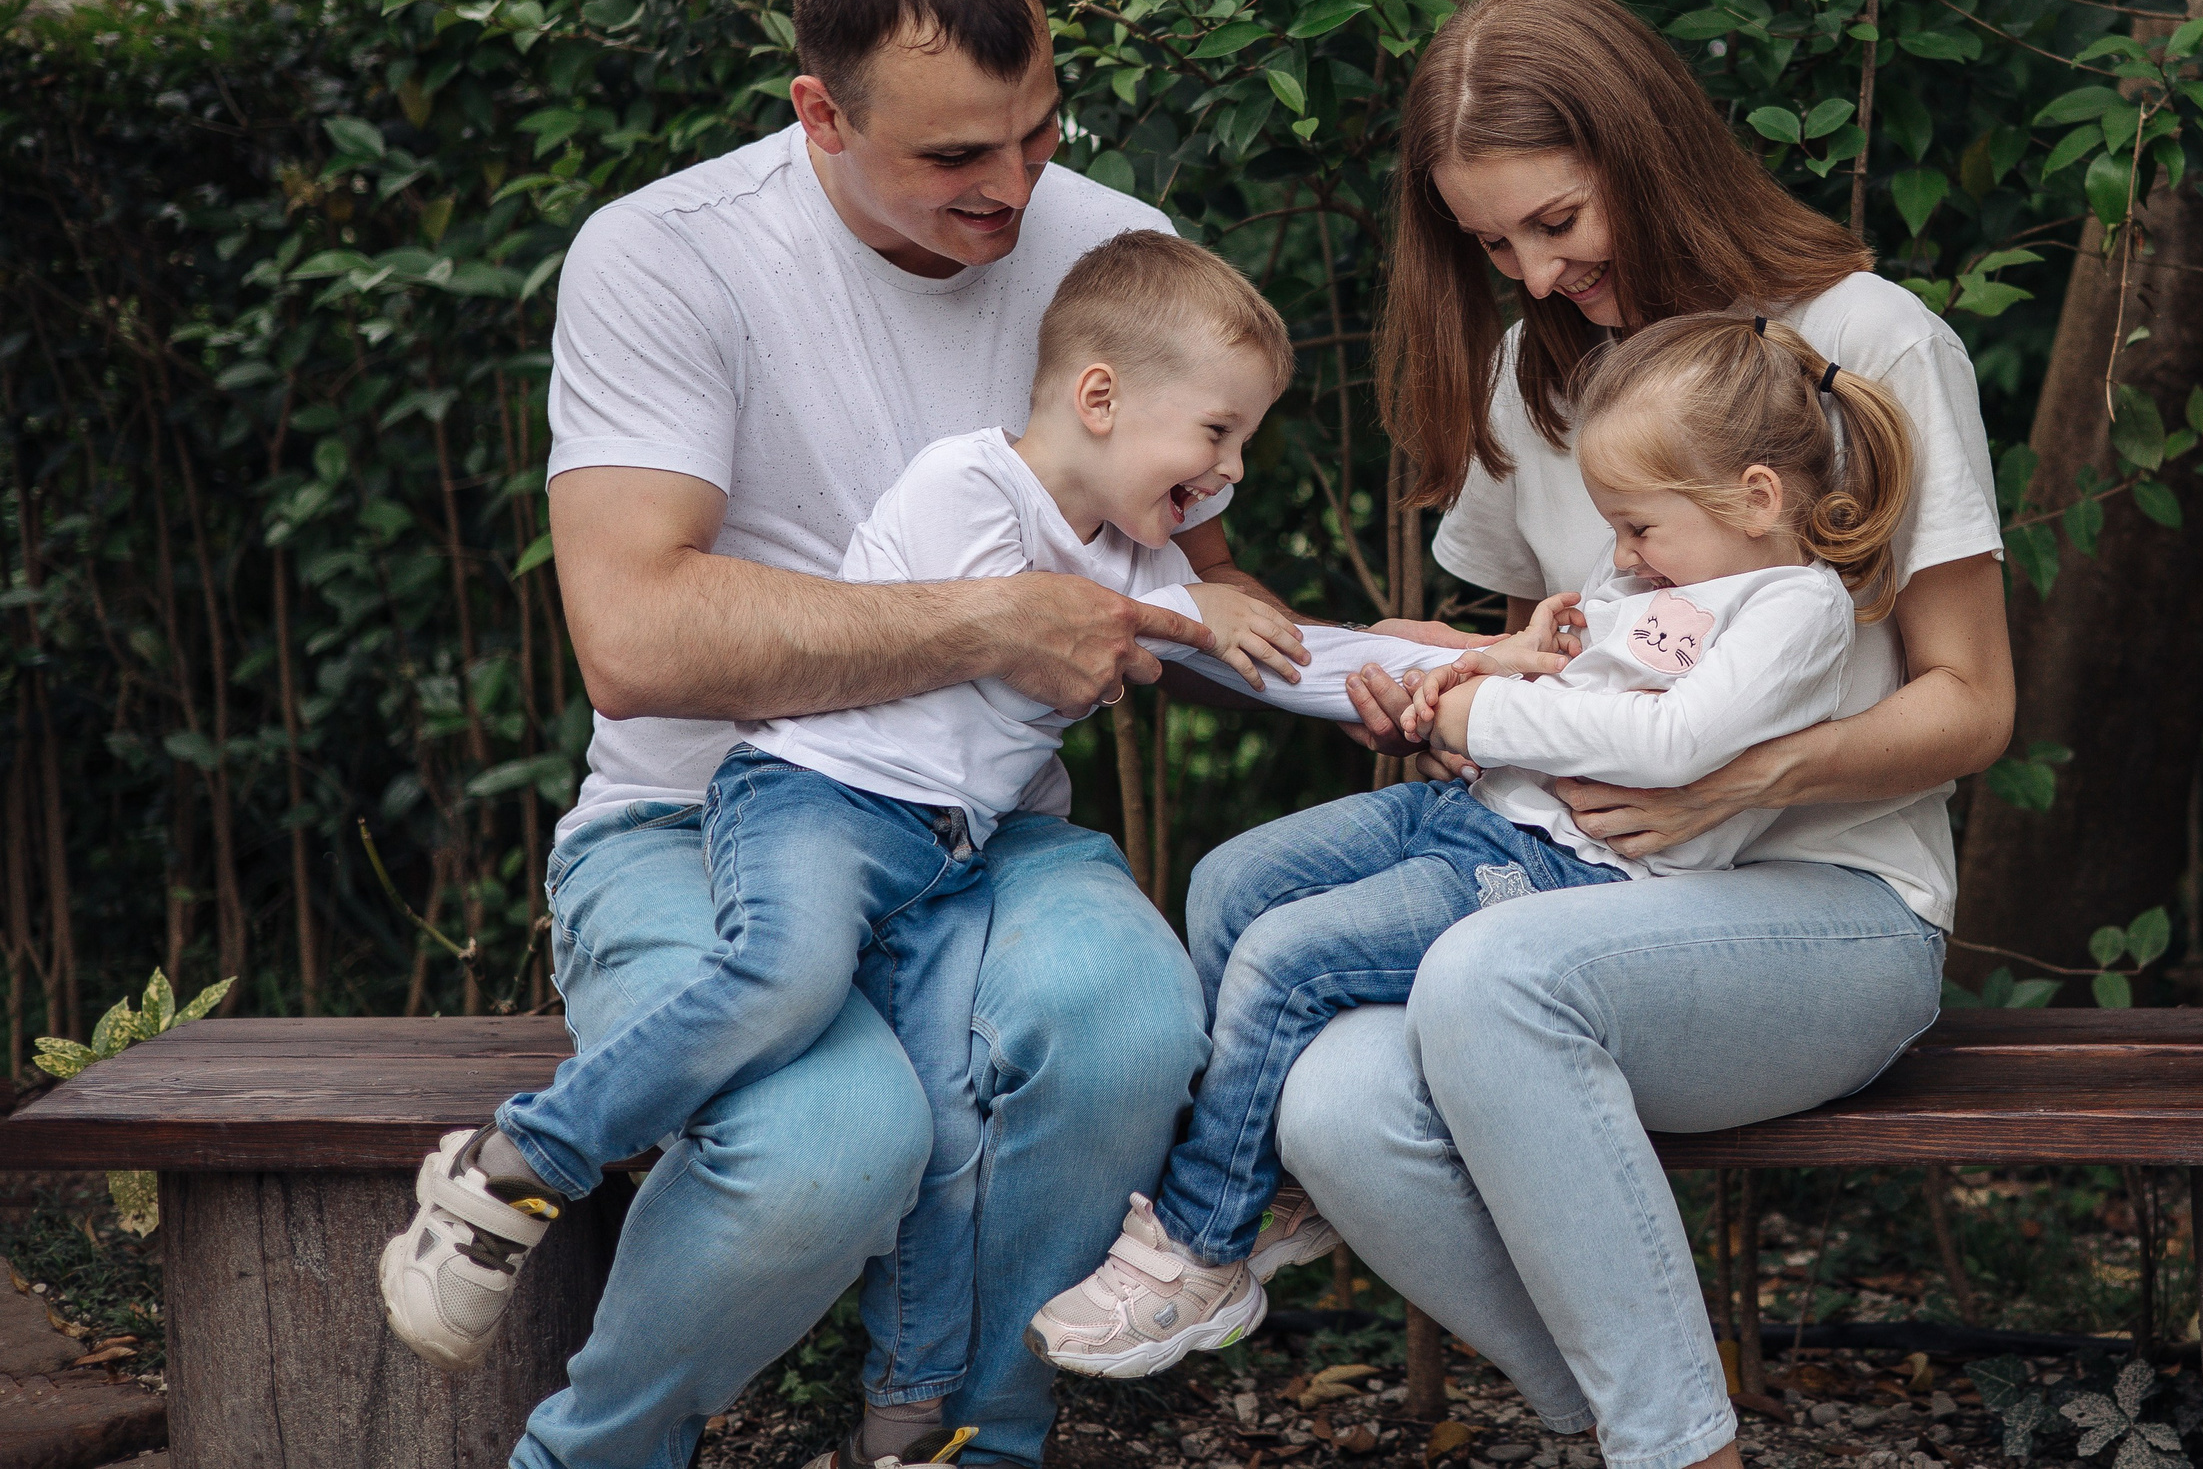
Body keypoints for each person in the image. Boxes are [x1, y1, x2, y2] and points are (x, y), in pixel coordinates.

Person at [458, 0, 1449, 1469]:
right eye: (954, 157)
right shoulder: (666, 255)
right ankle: (593, 1451)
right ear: (819, 113)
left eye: (1040, 130)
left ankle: (973, 1440)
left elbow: (1192, 589)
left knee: (1130, 1018)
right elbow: (634, 642)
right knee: (821, 1146)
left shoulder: (1123, 252)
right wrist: (994, 620)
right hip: (700, 818)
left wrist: (1416, 669)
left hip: (978, 830)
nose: (1012, 189)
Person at [381, 232, 1447, 1406]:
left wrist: (1457, 657)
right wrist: (1184, 607)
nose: (1230, 470)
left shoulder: (1127, 559)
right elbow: (1037, 616)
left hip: (944, 855)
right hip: (816, 800)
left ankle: (914, 1406)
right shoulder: (970, 483)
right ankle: (515, 1165)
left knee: (949, 1131)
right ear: (1100, 396)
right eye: (1217, 433)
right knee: (782, 975)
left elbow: (1261, 647)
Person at [1251, 0, 2016, 1469]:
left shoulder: (1866, 340)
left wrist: (1753, 766)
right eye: (1491, 245)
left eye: (1557, 223)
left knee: (1486, 981)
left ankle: (1680, 1449)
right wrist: (1442, 678)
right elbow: (1579, 652)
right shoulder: (1535, 371)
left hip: (1834, 911)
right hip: (1573, 896)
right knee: (1336, 1103)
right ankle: (1634, 1422)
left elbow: (1974, 702)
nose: (1533, 276)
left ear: (1646, 153)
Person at [1027, 311, 1917, 1382]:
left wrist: (1479, 718)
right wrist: (1492, 662)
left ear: (1758, 499)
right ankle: (1269, 1168)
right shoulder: (1666, 578)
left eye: (1639, 526)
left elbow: (1675, 741)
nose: (1622, 552)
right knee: (1234, 879)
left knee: (1290, 954)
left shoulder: (1790, 605)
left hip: (1569, 866)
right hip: (1478, 809)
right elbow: (1580, 680)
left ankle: (1203, 1243)